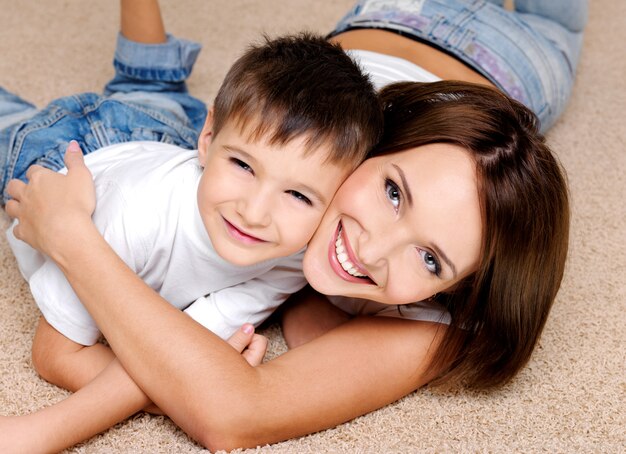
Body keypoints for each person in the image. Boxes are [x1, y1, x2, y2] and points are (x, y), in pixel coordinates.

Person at [1, 0, 582, 451]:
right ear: (373, 152)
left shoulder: (443, 316)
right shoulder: (339, 140)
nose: (372, 250)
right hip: (397, 20)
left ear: (457, 287)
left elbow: (232, 410)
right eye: (393, 192)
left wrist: (70, 236)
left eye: (430, 261)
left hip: (522, 53)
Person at [0, 0, 381, 449]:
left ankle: (158, 82)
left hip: (164, 145)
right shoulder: (134, 217)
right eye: (243, 165)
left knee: (154, 95)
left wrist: (188, 384)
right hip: (61, 154)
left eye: (298, 195)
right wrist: (173, 398)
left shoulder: (293, 254)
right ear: (210, 140)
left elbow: (189, 353)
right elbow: (55, 355)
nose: (254, 213)